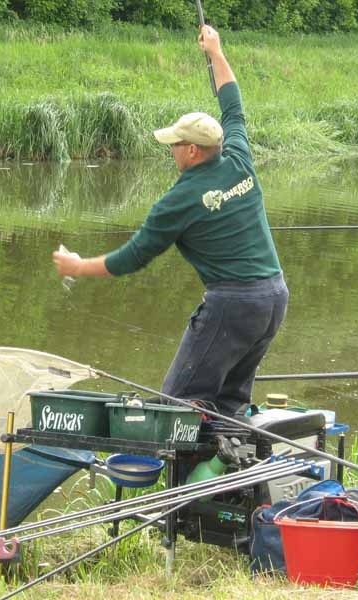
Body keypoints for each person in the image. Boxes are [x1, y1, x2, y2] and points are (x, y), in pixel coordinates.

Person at [53, 25, 288, 417]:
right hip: (275, 297)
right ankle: (232, 471)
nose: (172, 150)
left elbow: (132, 257)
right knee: (228, 403)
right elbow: (232, 102)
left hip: (233, 305)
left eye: (175, 144)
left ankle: (189, 476)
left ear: (193, 150)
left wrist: (78, 266)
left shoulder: (177, 201)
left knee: (176, 405)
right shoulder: (238, 157)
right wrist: (216, 51)